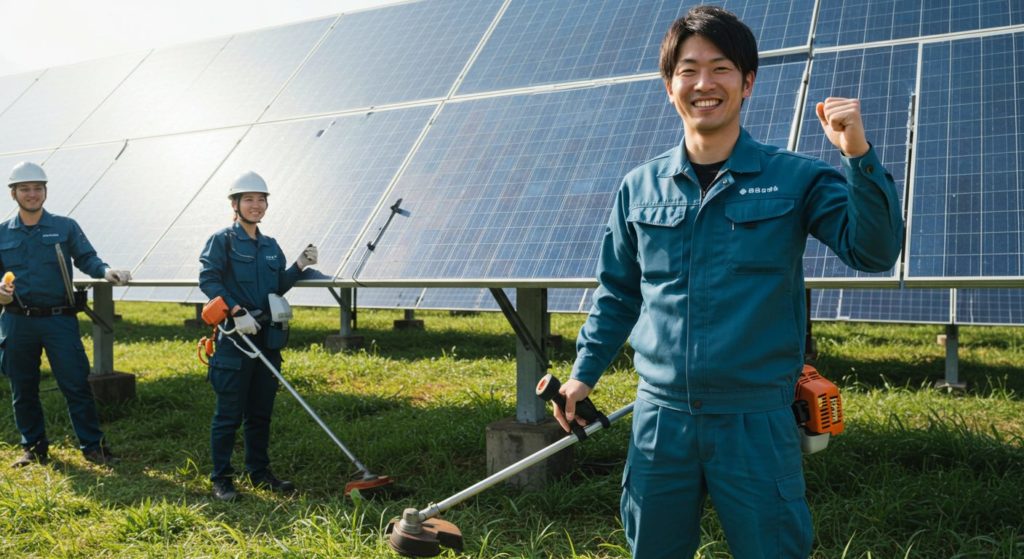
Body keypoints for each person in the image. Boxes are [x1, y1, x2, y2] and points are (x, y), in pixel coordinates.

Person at [554, 6, 903, 558]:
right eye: (688, 70)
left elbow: (875, 251)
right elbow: (619, 293)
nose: (704, 84)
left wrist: (856, 155)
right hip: (660, 420)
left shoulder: (795, 178)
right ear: (669, 86)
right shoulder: (639, 188)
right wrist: (583, 375)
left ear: (748, 82)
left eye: (720, 68)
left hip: (755, 419)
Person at [0, 161, 132, 468]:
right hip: (17, 321)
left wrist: (106, 271)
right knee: (23, 387)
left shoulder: (65, 227)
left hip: (58, 319)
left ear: (45, 191)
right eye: (24, 189)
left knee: (76, 384)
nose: (32, 194)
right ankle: (33, 448)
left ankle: (93, 447)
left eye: (37, 188)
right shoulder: (2, 233)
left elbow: (88, 258)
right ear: (13, 194)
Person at [198, 170, 319, 502]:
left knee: (261, 412)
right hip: (235, 339)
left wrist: (299, 265)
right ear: (235, 205)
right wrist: (237, 311)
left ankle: (260, 472)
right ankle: (222, 478)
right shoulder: (222, 240)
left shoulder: (270, 246)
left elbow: (277, 286)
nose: (256, 205)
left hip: (267, 338)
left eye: (261, 200)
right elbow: (209, 280)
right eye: (249, 199)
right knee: (228, 414)